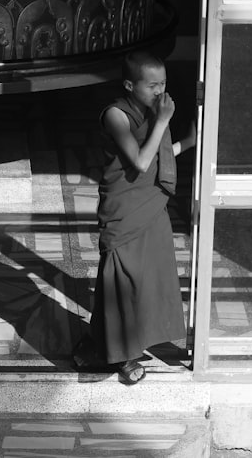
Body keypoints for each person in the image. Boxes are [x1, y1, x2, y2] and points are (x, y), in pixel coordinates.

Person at [74, 51, 196, 384]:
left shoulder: (152, 113)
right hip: (125, 209)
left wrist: (188, 141)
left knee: (151, 277)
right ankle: (121, 356)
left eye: (164, 84)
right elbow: (141, 161)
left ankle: (120, 343)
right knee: (121, 281)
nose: (160, 92)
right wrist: (162, 122)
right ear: (130, 85)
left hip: (151, 206)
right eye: (153, 85)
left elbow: (160, 157)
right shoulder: (116, 115)